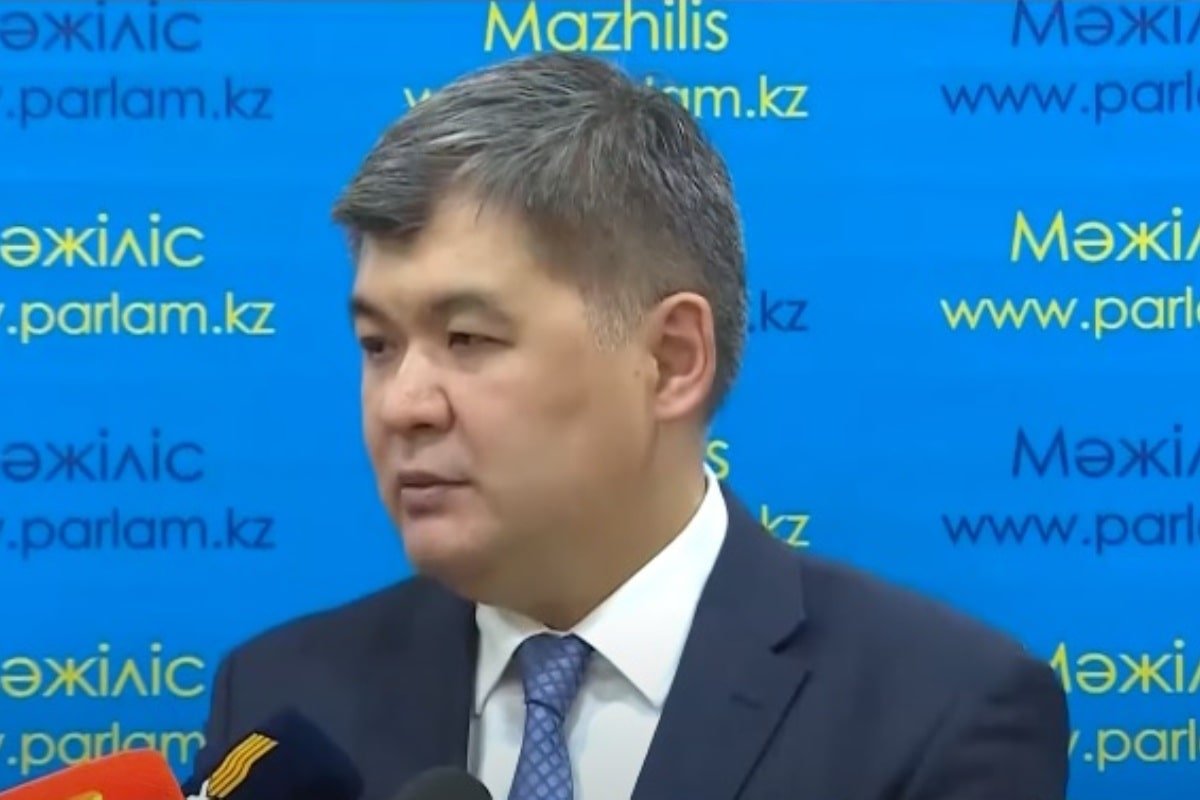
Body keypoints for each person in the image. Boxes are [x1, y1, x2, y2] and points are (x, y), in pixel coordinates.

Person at [186, 52, 1069, 800]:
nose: (402, 404)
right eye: (378, 345)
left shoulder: (940, 714)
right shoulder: (280, 703)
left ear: (671, 360)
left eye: (468, 338)